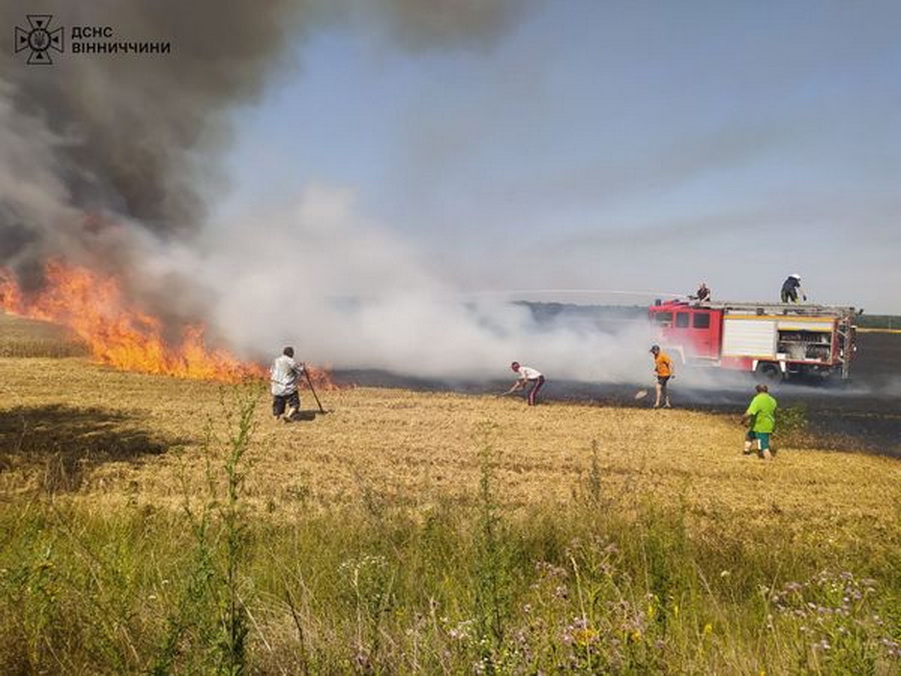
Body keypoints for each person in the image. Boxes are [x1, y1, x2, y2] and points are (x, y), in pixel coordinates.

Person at [742, 384, 778, 460]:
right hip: (766, 424)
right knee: (749, 436)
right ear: (766, 390)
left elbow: (749, 413)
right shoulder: (772, 400)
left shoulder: (757, 399)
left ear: (757, 391)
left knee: (764, 446)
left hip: (761, 426)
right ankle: (746, 452)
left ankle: (768, 459)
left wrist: (743, 420)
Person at [270, 346, 304, 422]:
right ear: (291, 353)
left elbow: (271, 371)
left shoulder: (276, 360)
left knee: (278, 403)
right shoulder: (291, 361)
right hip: (287, 387)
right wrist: (302, 367)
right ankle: (288, 416)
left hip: (276, 386)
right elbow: (299, 371)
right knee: (295, 404)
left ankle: (276, 418)